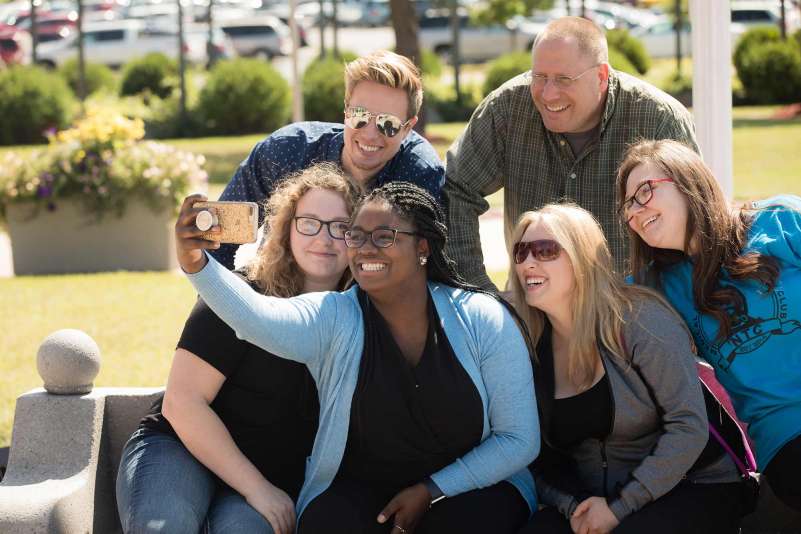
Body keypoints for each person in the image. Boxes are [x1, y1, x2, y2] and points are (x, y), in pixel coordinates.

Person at [175, 181, 540, 534]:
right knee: (326, 523)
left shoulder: (481, 319)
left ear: (423, 248)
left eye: (384, 237)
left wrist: (431, 489)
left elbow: (518, 439)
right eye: (357, 236)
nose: (365, 249)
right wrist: (196, 264)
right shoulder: (335, 316)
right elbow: (256, 318)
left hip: (471, 484)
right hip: (362, 486)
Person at [116, 164, 359, 534]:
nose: (323, 238)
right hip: (182, 450)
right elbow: (182, 404)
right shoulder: (240, 295)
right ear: (287, 230)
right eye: (308, 222)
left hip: (265, 480)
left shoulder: (360, 319)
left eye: (340, 228)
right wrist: (257, 489)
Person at [509, 203, 744, 534]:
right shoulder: (528, 346)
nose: (528, 262)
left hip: (693, 484)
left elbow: (688, 427)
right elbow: (540, 457)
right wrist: (576, 506)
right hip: (596, 501)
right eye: (521, 252)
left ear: (582, 260)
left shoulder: (640, 321)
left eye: (545, 250)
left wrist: (620, 508)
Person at [442, 16, 698, 290]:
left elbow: (695, 220)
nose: (548, 94)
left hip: (632, 314)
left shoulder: (658, 119)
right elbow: (455, 189)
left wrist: (658, 312)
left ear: (601, 76)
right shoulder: (507, 109)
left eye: (564, 79)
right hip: (534, 313)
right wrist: (479, 291)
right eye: (539, 77)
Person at [617, 138, 801, 513]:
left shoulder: (780, 222)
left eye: (645, 191)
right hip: (787, 438)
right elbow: (587, 308)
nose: (635, 211)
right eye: (628, 205)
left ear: (687, 181)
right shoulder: (655, 288)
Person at [211, 50, 445, 270]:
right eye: (359, 116)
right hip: (274, 298)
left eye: (389, 124)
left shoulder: (419, 174)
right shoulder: (286, 151)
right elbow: (218, 238)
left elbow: (426, 270)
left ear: (408, 128)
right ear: (345, 110)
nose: (370, 134)